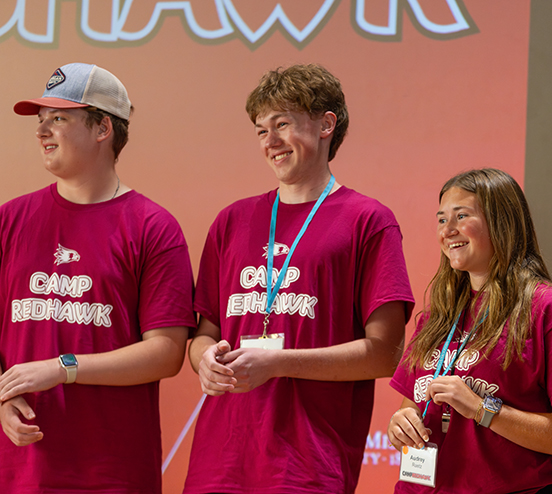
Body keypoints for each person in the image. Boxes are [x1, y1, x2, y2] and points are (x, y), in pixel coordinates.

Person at [184, 63, 415, 494]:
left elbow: (385, 353)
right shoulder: (231, 221)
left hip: (307, 467)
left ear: (326, 124)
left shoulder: (368, 221)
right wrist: (205, 362)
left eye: (282, 124)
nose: (270, 141)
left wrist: (279, 362)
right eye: (260, 130)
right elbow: (203, 334)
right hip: (218, 465)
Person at [0, 63, 195, 493]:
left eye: (59, 118)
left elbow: (166, 353)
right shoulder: (9, 219)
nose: (42, 131)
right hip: (18, 470)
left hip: (112, 473)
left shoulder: (153, 227)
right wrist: (4, 397)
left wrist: (63, 367)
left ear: (103, 127)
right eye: (41, 120)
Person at [387, 168, 552, 494]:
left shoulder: (550, 309)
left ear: (502, 222)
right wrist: (402, 424)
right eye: (441, 220)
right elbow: (410, 405)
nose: (447, 230)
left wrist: (484, 410)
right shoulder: (438, 315)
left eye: (461, 216)